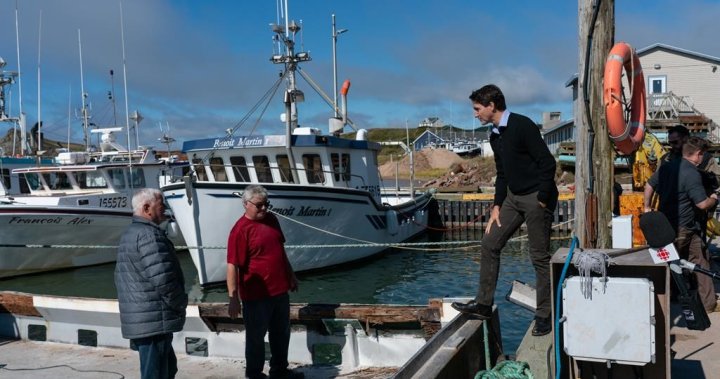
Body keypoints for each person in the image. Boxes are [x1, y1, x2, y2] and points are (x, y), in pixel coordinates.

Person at [452, 84, 558, 337]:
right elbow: (502, 174)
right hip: (512, 197)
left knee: (538, 257)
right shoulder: (495, 135)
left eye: (477, 109)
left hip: (535, 197)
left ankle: (545, 314)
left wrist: (542, 199)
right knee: (489, 243)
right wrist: (497, 206)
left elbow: (547, 162)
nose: (475, 114)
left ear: (492, 106)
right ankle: (483, 304)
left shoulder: (523, 126)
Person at [227, 185, 302, 379]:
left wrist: (291, 275)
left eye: (266, 204)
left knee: (281, 333)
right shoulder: (240, 230)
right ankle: (254, 374)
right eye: (259, 205)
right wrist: (233, 297)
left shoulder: (272, 220)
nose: (264, 209)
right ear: (246, 204)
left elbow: (280, 251)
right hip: (256, 296)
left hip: (279, 291)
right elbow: (232, 266)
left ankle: (279, 370)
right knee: (256, 338)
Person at [115, 188, 188, 379]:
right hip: (154, 319)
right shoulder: (150, 236)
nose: (164, 207)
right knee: (157, 373)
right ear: (147, 208)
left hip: (144, 318)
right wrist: (181, 303)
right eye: (161, 203)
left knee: (166, 369)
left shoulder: (130, 234)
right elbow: (164, 279)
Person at [644, 136, 718, 313]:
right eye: (703, 156)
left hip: (675, 225)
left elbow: (649, 184)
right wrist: (714, 199)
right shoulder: (692, 173)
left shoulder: (667, 167)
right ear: (698, 155)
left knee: (700, 260)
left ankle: (708, 304)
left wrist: (647, 206)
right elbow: (701, 204)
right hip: (682, 227)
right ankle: (661, 305)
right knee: (669, 264)